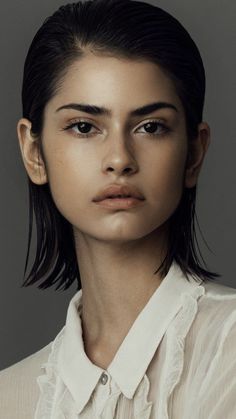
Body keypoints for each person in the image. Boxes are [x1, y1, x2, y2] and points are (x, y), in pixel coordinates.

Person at [0, 0, 236, 417]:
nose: (119, 158)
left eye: (151, 127)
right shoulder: (11, 396)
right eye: (84, 127)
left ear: (194, 153)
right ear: (34, 152)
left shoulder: (228, 349)